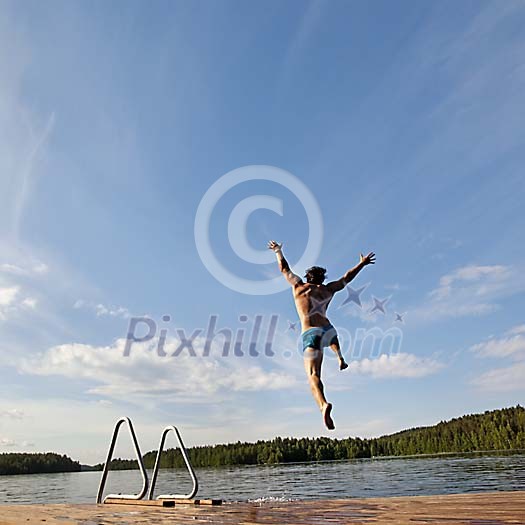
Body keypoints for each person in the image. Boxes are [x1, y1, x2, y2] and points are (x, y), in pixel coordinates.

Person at [268, 240, 375, 430]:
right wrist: (362, 264)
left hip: (310, 333)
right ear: (322, 279)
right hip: (327, 330)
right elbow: (346, 278)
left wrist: (278, 251)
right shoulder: (327, 289)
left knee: (313, 374)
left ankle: (323, 404)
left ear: (307, 277)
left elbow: (284, 269)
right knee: (331, 331)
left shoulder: (299, 287)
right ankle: (340, 356)